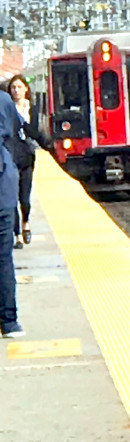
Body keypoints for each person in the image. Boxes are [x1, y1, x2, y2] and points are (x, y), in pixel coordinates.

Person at [6, 76, 42, 245]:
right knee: (11, 197)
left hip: (27, 157)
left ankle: (26, 223)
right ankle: (17, 235)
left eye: (20, 87)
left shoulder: (32, 109)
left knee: (24, 198)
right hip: (10, 157)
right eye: (13, 87)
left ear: (26, 89)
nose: (16, 90)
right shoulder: (6, 108)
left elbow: (35, 132)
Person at [0, 89, 24, 337]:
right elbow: (13, 139)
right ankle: (9, 322)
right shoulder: (4, 101)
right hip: (3, 189)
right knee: (3, 257)